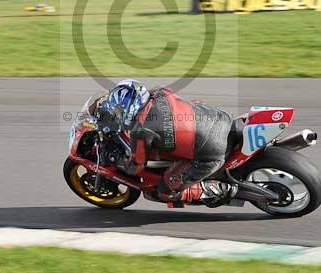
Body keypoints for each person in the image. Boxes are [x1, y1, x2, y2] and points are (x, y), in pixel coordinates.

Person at [94, 79, 237, 206]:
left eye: (119, 111)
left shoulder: (141, 131)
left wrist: (116, 159)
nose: (117, 114)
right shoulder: (159, 92)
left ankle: (220, 189)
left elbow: (135, 167)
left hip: (211, 154)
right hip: (220, 119)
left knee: (163, 191)